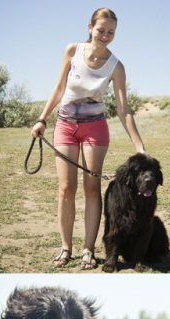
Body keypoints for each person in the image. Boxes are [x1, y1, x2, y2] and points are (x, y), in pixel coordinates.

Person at [31, 8, 145, 270]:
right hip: (65, 125)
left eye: (111, 32)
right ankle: (65, 247)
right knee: (65, 188)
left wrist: (139, 146)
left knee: (92, 188)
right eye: (101, 30)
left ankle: (88, 249)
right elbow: (59, 88)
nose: (105, 35)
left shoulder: (117, 66)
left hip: (95, 128)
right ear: (90, 27)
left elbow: (123, 108)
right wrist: (42, 118)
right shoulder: (73, 51)